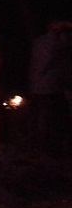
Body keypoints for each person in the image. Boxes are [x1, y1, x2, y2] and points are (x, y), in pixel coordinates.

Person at [28, 20, 72, 154]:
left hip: (39, 86)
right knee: (57, 117)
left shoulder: (39, 42)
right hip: (52, 87)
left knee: (46, 117)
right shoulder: (57, 43)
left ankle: (45, 146)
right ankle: (54, 147)